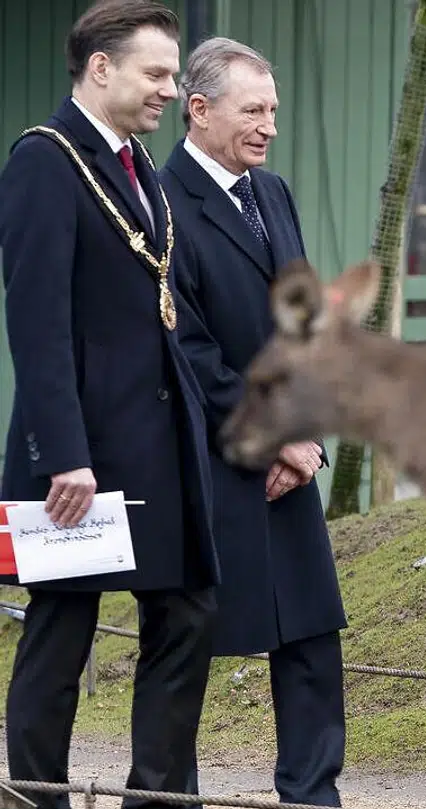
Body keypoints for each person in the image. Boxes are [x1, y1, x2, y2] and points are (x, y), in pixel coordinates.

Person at [0, 2, 220, 807]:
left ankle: (156, 797)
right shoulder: (44, 160)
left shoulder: (137, 163)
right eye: (156, 73)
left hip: (159, 443)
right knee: (61, 633)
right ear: (102, 68)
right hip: (83, 454)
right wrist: (64, 451)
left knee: (191, 610)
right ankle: (32, 797)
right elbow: (37, 321)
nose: (170, 89)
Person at [158, 36, 348, 807]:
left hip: (289, 457)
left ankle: (314, 794)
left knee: (310, 643)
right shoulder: (162, 203)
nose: (269, 125)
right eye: (252, 109)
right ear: (198, 110)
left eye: (273, 109)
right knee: (186, 653)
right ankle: (168, 797)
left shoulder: (272, 193)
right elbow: (188, 348)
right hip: (211, 464)